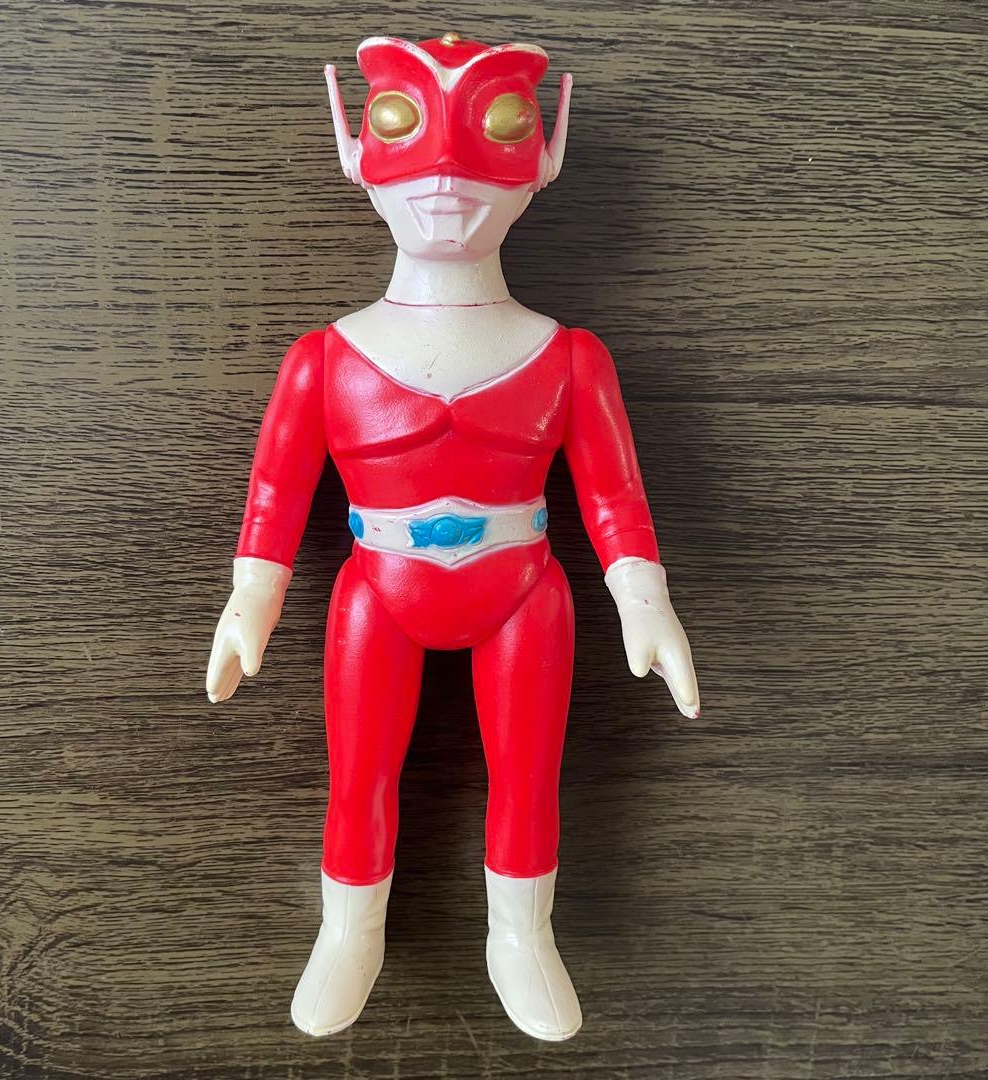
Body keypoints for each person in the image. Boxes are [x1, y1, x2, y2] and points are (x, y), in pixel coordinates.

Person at [205, 32, 700, 1042]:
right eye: (403, 127)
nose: (443, 188)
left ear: (542, 160)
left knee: (529, 775)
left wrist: (645, 601)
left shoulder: (570, 357)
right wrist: (250, 600)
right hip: (377, 591)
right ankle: (350, 929)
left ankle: (521, 934)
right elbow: (276, 494)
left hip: (522, 593)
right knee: (359, 774)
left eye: (495, 132)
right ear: (358, 155)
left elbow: (614, 496)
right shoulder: (324, 358)